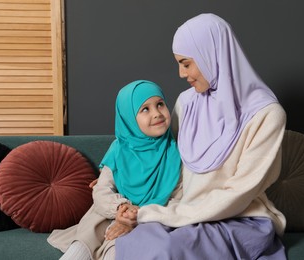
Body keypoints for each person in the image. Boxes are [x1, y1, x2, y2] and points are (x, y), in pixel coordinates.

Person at [111, 13, 287, 259]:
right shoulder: (186, 103)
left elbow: (238, 194)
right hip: (183, 212)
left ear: (212, 54)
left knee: (165, 250)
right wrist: (114, 173)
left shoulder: (267, 115)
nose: (182, 74)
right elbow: (163, 157)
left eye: (186, 63)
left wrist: (154, 214)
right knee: (133, 242)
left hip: (240, 218)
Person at [47, 80, 182, 260]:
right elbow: (102, 189)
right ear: (128, 118)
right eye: (145, 109)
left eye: (160, 104)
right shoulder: (119, 149)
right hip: (113, 212)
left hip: (150, 219)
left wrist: (137, 214)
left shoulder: (175, 152)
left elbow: (179, 198)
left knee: (119, 243)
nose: (157, 113)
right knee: (95, 219)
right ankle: (79, 251)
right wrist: (121, 207)